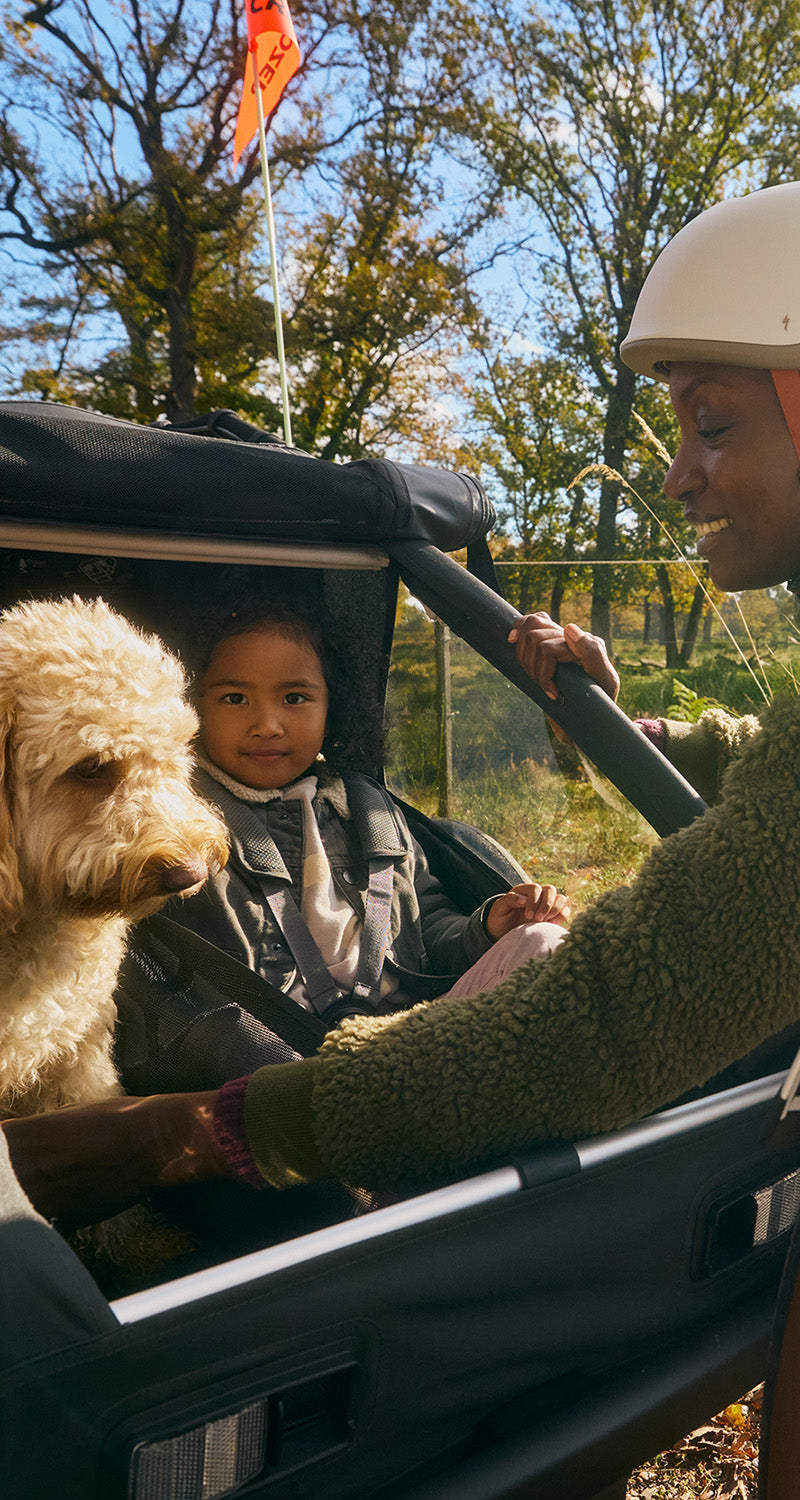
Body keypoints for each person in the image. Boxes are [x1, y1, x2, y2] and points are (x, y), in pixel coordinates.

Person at [7, 178, 800, 1225]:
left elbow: (620, 1012)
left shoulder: (367, 816)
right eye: (233, 697)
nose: (676, 475)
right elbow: (766, 761)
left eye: (713, 423)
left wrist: (186, 1134)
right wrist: (621, 728)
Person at [159, 605, 568, 1024]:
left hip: (412, 1031)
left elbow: (425, 929)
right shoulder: (177, 820)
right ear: (191, 706)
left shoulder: (369, 808)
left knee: (544, 942)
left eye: (294, 698)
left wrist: (487, 927)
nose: (267, 725)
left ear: (333, 707)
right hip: (275, 1048)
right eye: (235, 699)